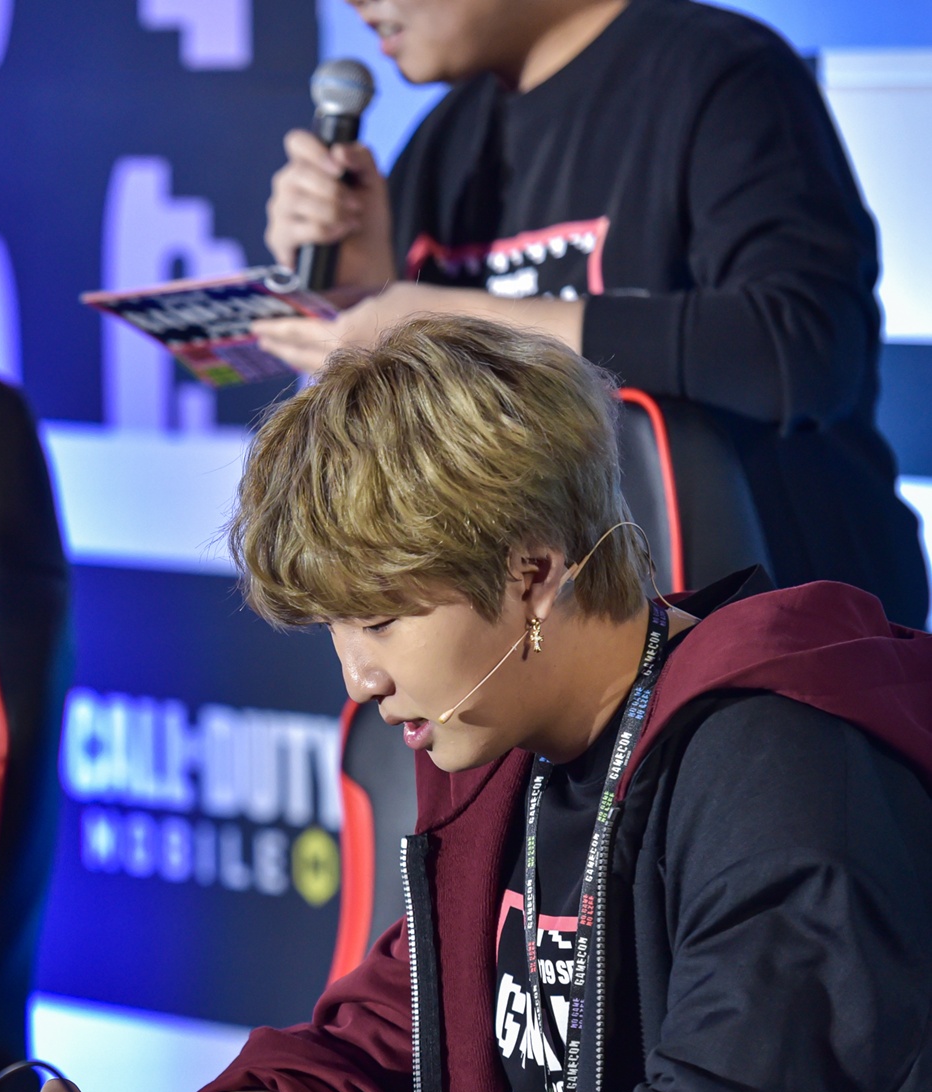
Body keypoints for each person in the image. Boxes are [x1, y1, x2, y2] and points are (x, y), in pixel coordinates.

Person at [0, 316, 932, 1092]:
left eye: (381, 617)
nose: (357, 674)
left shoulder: (784, 761)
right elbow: (381, 1057)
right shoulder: (501, 757)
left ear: (533, 574)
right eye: (337, 624)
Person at [254, 0, 929, 630]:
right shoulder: (442, 143)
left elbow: (799, 350)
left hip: (773, 649)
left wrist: (446, 320)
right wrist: (370, 290)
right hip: (549, 659)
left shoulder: (720, 71)